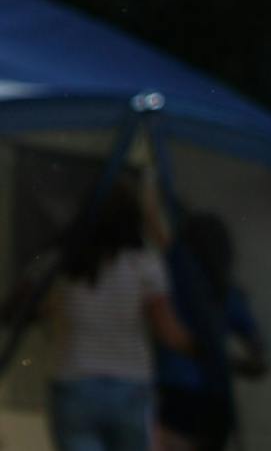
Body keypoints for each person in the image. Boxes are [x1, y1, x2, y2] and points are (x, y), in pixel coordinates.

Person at [43, 181, 195, 451]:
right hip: (130, 386)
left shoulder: (66, 262)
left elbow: (36, 306)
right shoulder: (145, 265)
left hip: (74, 382)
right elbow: (167, 331)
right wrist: (202, 349)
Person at [154, 211, 268, 451]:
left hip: (176, 390)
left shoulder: (174, 276)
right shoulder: (228, 294)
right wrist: (231, 362)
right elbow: (257, 350)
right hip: (216, 397)